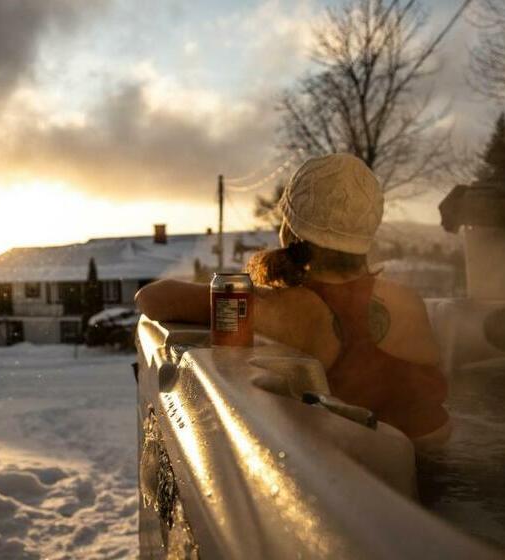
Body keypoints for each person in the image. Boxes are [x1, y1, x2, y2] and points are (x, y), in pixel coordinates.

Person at [135, 153, 450, 449]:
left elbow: (153, 298)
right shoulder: (407, 300)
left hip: (372, 470)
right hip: (440, 449)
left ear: (291, 229)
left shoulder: (292, 307)